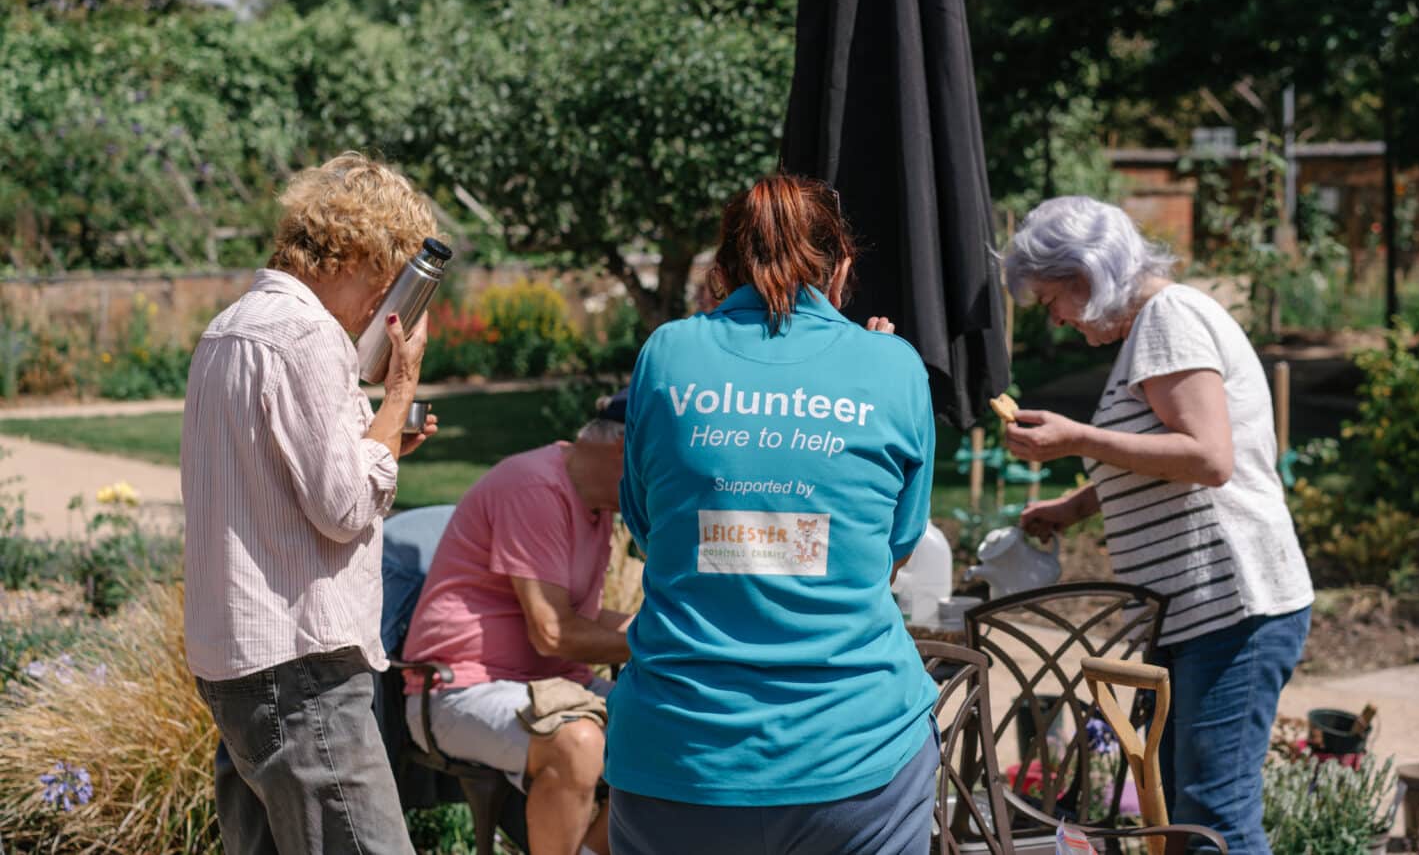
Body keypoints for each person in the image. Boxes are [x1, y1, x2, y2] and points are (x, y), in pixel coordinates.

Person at [605, 174, 940, 855]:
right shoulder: (894, 367)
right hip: (856, 753)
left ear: (722, 271)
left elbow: (649, 528)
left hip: (681, 753)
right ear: (842, 264)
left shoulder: (667, 353)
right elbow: (894, 549)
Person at [999, 195, 1314, 854]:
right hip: (1199, 614)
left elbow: (1208, 457)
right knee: (1180, 817)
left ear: (1086, 274)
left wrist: (1077, 436)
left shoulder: (1169, 317)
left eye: (1050, 298)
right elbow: (1158, 455)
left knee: (1213, 822)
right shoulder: (1149, 330)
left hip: (1232, 608)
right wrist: (1076, 506)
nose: (1052, 318)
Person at [182, 153, 439, 855]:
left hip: (240, 657)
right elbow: (346, 505)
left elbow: (282, 477)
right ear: (360, 251)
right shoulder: (307, 337)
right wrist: (399, 391)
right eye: (389, 276)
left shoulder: (229, 328)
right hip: (303, 666)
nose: (385, 301)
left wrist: (378, 441)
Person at [400, 393, 633, 855]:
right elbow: (551, 632)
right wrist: (667, 641)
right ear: (625, 451)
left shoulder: (597, 501)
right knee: (579, 743)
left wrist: (664, 627)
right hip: (458, 689)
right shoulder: (536, 488)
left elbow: (577, 619)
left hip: (546, 682)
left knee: (676, 728)